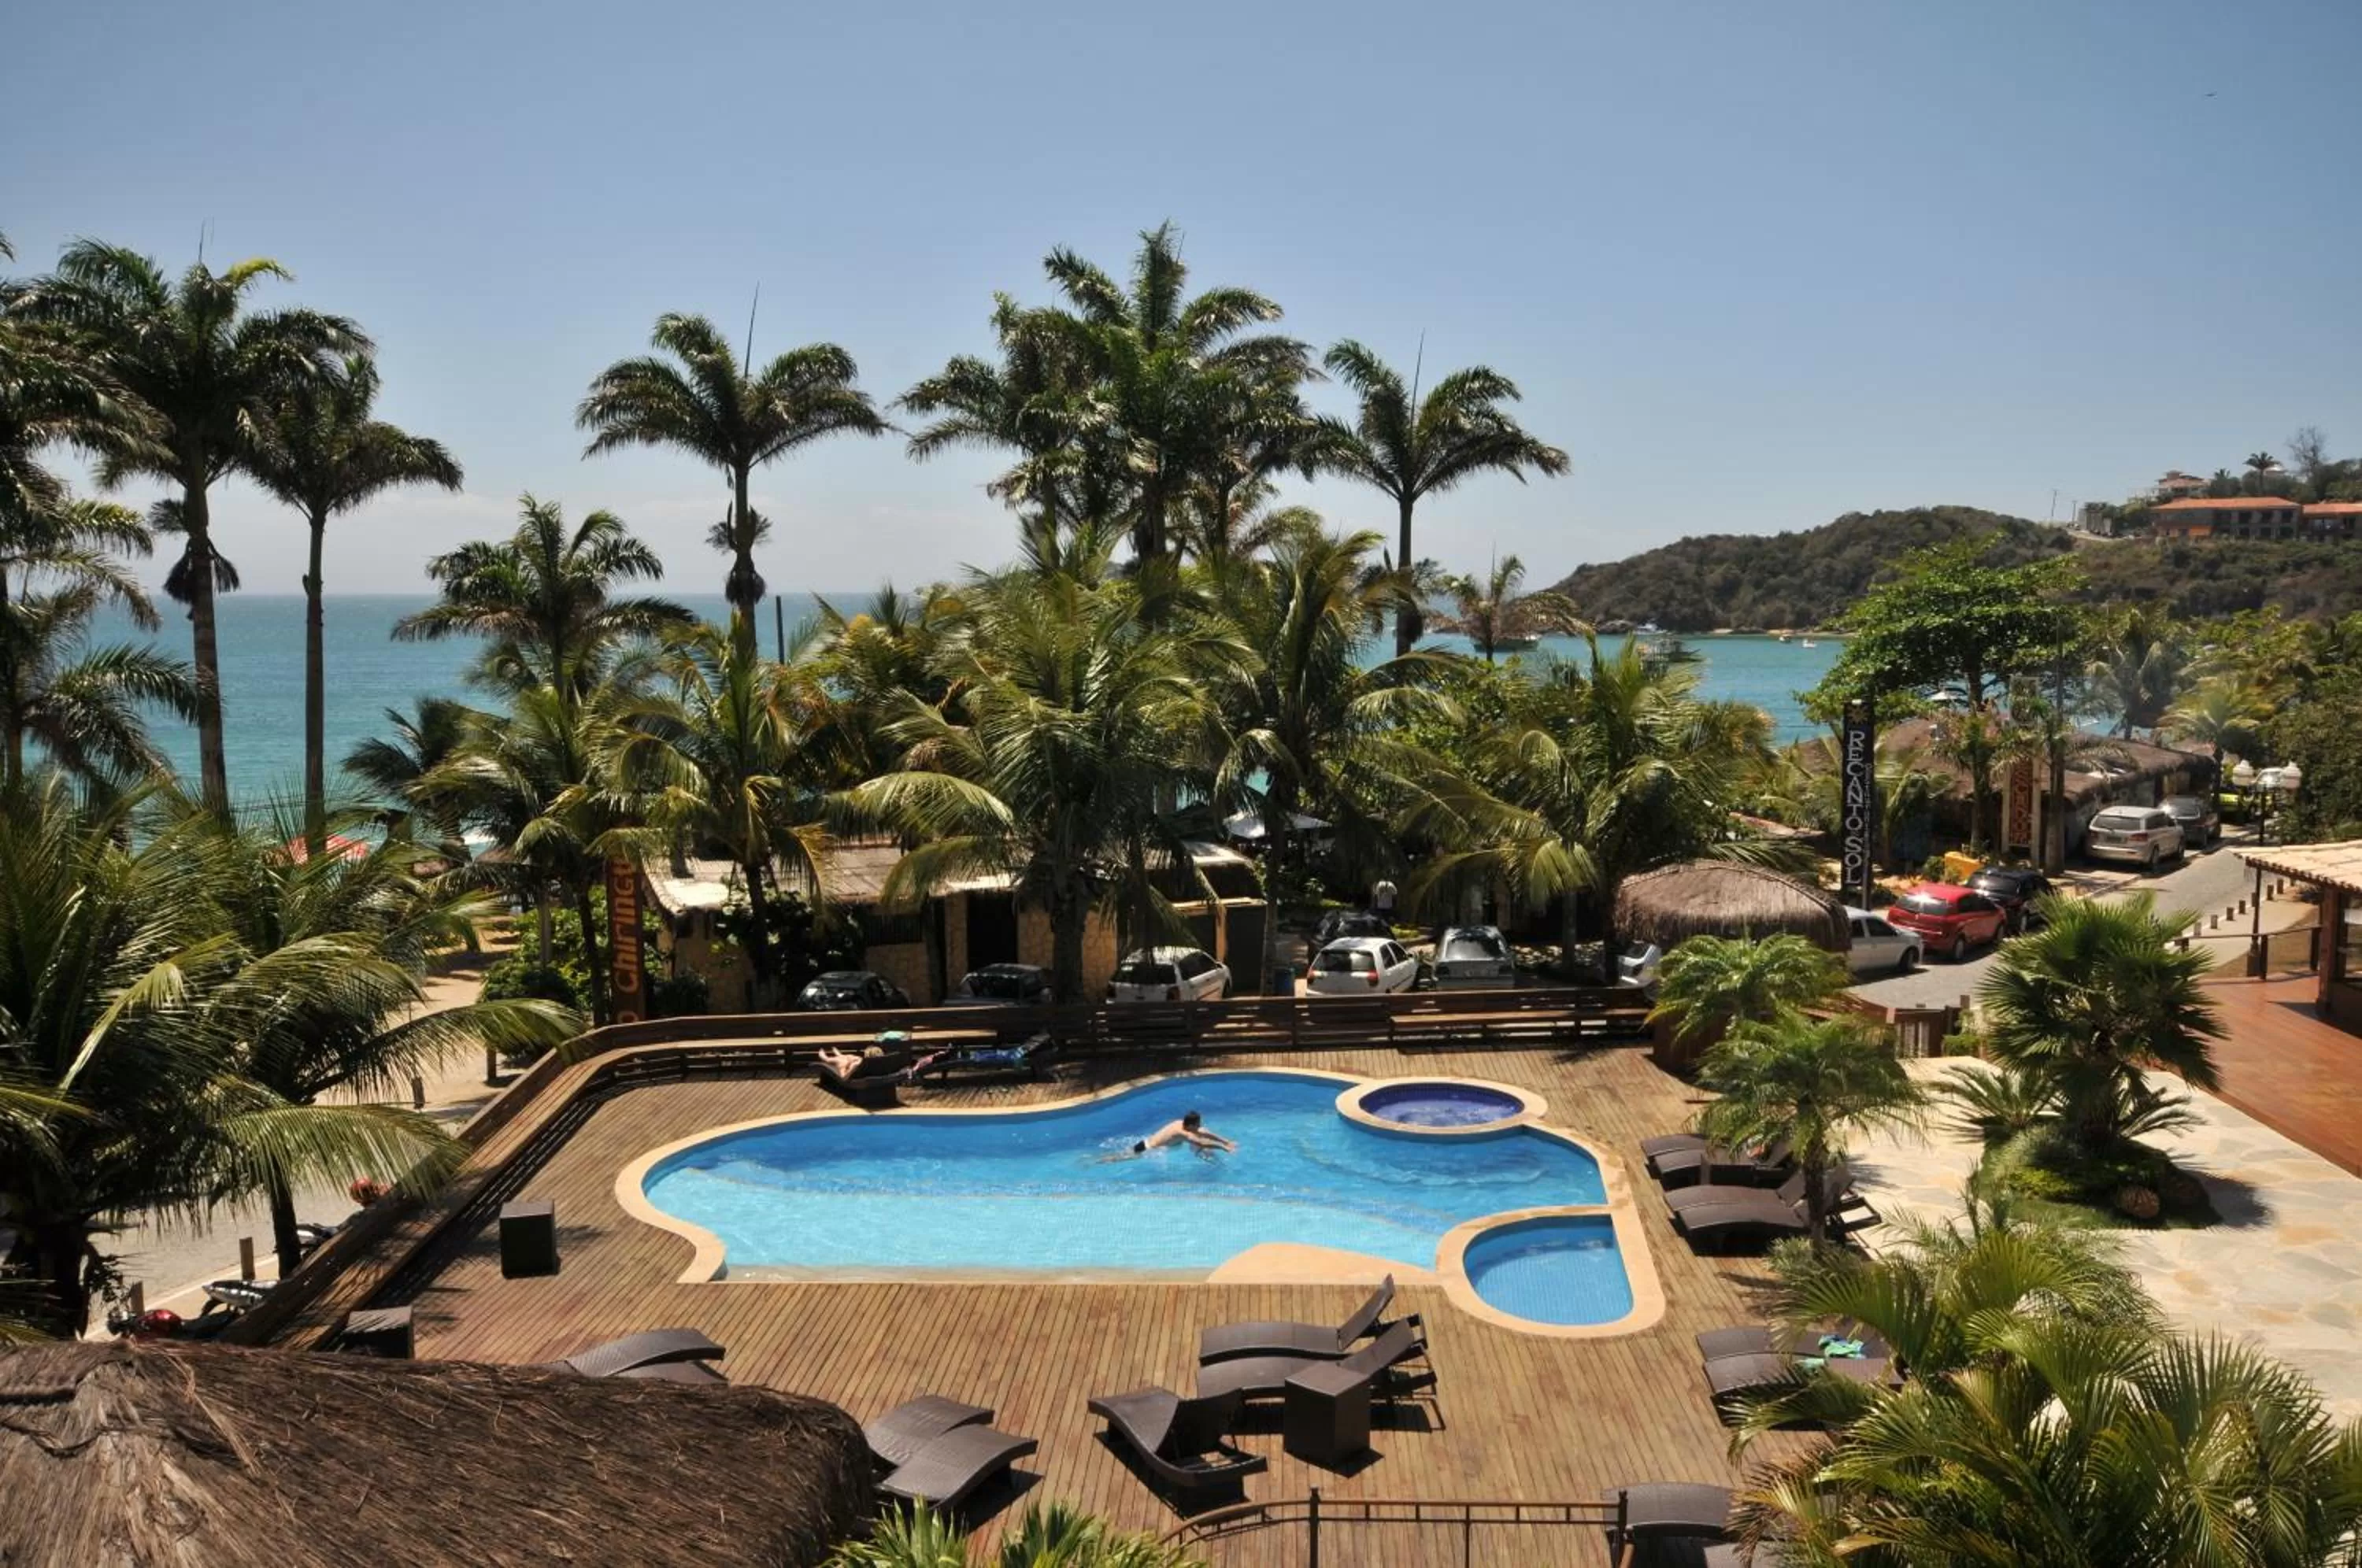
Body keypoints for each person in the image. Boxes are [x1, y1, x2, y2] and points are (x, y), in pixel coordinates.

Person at [1119, 1109, 1236, 1158]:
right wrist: (1224, 1148)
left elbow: (1203, 1132)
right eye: (1197, 1124)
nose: (1199, 1126)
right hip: (1147, 1150)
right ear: (1190, 1126)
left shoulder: (1180, 1122)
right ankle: (1101, 1161)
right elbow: (1202, 1143)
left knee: (1197, 1142)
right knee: (1118, 1158)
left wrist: (1226, 1141)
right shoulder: (1182, 1133)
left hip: (1145, 1142)